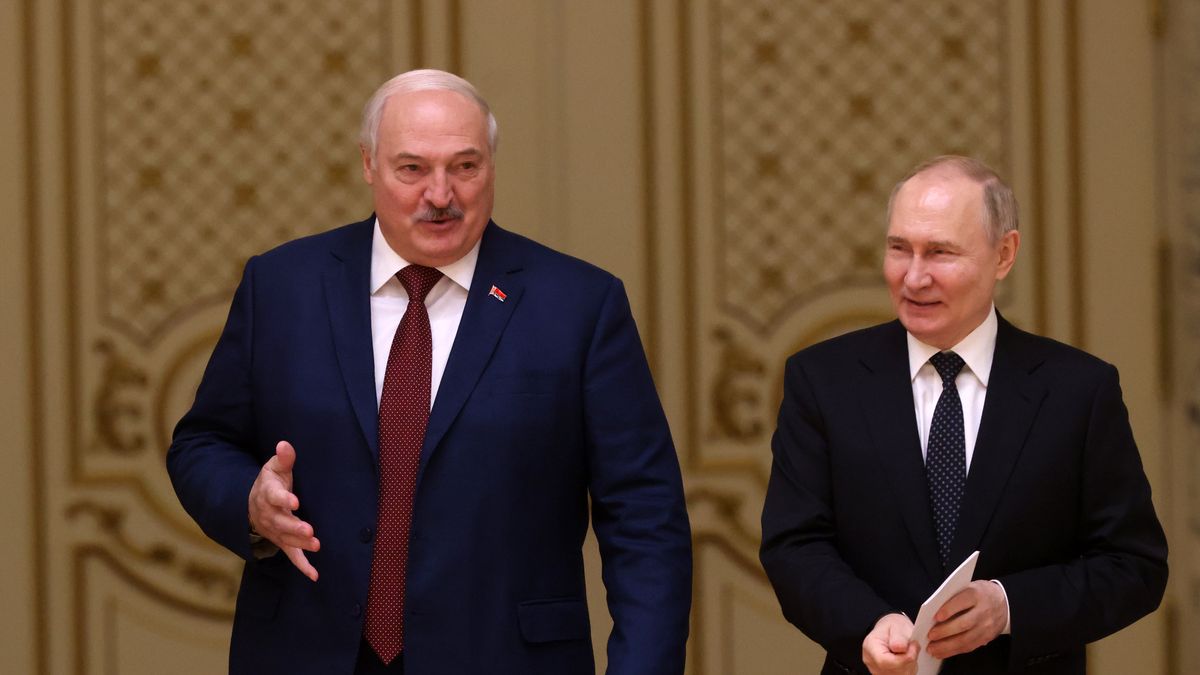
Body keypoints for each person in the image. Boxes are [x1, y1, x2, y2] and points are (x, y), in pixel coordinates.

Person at [167, 69, 691, 675]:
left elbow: (646, 519)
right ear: (368, 165)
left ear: (491, 165)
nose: (440, 194)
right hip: (305, 651)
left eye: (465, 167)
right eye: (411, 169)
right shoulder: (282, 286)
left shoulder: (578, 305)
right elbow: (201, 444)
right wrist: (249, 501)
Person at [759, 155, 1167, 674]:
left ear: (1004, 254)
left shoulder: (1078, 391)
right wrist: (867, 623)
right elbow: (794, 547)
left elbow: (1135, 566)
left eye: (941, 253)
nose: (913, 276)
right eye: (899, 249)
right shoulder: (823, 381)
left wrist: (1009, 607)